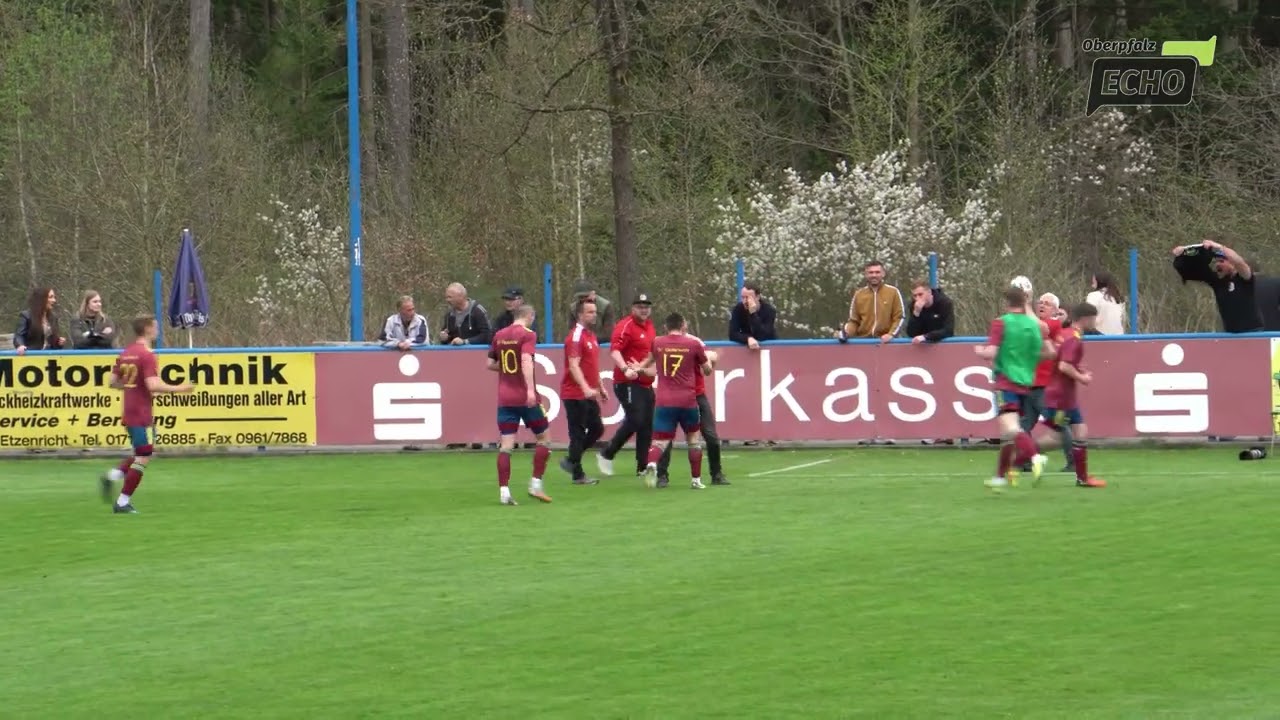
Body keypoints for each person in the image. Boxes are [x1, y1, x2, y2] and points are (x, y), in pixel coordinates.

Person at [99, 315, 195, 514]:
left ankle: (112, 476)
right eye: (155, 326)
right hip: (141, 412)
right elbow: (153, 385)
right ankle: (122, 502)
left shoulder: (126, 352)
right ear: (147, 329)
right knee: (144, 456)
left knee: (141, 453)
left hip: (129, 408)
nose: (157, 330)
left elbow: (112, 382)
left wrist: (130, 387)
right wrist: (181, 388)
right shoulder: (147, 354)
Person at [972, 287, 1054, 491]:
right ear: (1024, 303)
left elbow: (991, 352)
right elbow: (1049, 353)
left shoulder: (1002, 322)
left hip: (1006, 380)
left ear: (1007, 303)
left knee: (1011, 427)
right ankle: (1000, 478)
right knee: (1007, 434)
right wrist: (1027, 358)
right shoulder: (1034, 325)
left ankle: (1035, 457)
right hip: (1026, 381)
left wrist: (979, 351)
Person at [1031, 303, 1107, 488]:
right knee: (1055, 438)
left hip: (1066, 397)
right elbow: (1064, 366)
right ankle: (1021, 454)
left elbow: (1062, 360)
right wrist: (1082, 377)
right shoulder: (1073, 338)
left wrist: (1078, 369)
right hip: (1060, 398)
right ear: (1086, 318)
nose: (1095, 322)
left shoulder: (1065, 334)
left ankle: (1082, 478)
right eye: (1093, 318)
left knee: (1081, 433)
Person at [486, 304, 553, 505]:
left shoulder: (499, 335)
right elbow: (525, 360)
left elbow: (489, 364)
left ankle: (504, 492)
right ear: (529, 316)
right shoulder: (528, 335)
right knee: (544, 439)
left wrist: (507, 369)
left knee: (506, 445)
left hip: (505, 398)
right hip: (525, 397)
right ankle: (535, 484)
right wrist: (531, 390)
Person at [643, 312, 714, 490]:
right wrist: (710, 362)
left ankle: (652, 464)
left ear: (666, 326)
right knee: (693, 440)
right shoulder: (693, 344)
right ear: (683, 325)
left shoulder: (657, 342)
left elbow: (648, 363)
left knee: (660, 442)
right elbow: (707, 370)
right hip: (687, 400)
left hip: (664, 401)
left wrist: (636, 368)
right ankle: (696, 480)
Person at [655, 325, 728, 487]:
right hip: (674, 397)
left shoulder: (695, 342)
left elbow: (709, 361)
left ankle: (716, 473)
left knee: (711, 435)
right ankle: (662, 476)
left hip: (696, 395)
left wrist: (711, 359)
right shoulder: (664, 344)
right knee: (666, 437)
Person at [597, 292, 656, 477]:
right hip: (627, 381)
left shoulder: (650, 327)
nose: (644, 310)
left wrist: (649, 370)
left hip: (645, 381)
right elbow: (615, 351)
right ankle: (607, 453)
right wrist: (625, 369)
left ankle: (642, 466)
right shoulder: (626, 326)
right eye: (640, 307)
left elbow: (652, 353)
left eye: (646, 307)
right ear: (633, 308)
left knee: (647, 424)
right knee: (636, 419)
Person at [558, 299, 605, 485]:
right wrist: (585, 387)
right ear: (580, 315)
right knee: (577, 433)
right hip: (575, 393)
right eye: (589, 312)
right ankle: (577, 473)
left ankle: (571, 460)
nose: (593, 315)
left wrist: (599, 386)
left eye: (594, 312)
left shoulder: (591, 336)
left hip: (589, 392)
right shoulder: (576, 336)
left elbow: (591, 365)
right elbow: (574, 365)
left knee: (597, 429)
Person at [1025, 293, 1073, 473]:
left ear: (1055, 310)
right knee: (1023, 426)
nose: (1042, 305)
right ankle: (1027, 461)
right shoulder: (1036, 324)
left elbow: (1040, 327)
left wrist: (1025, 305)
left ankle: (1072, 461)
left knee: (1058, 425)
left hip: (1047, 386)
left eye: (1047, 303)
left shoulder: (1052, 324)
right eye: (1040, 302)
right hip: (1031, 384)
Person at [1172, 239, 1263, 333]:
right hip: (1230, 335)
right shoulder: (1218, 283)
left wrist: (1218, 247)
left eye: (1222, 261)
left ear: (1231, 263)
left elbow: (1239, 262)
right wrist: (1184, 252)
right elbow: (1196, 270)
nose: (1218, 264)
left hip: (1253, 332)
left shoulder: (1245, 278)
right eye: (1216, 261)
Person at [836, 260, 905, 344]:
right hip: (864, 342)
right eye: (871, 272)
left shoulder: (893, 292)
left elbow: (899, 317)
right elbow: (854, 321)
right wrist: (845, 332)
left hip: (886, 343)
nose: (874, 275)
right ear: (866, 275)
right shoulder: (859, 294)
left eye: (877, 272)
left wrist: (891, 334)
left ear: (883, 274)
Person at [14, 287, 66, 355]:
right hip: (33, 355)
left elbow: (53, 341)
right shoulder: (26, 316)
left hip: (50, 357)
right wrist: (20, 345)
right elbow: (19, 335)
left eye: (54, 297)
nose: (54, 300)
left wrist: (59, 342)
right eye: (50, 297)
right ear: (41, 299)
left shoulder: (53, 317)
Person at [728, 282, 777, 348]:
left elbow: (763, 335)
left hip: (769, 348)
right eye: (743, 297)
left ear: (757, 297)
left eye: (748, 298)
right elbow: (732, 334)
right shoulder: (738, 309)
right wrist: (748, 338)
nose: (745, 301)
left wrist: (753, 314)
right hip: (747, 348)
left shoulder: (769, 310)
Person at [1085, 271, 1125, 335]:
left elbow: (1087, 316)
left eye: (1094, 281)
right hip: (1119, 337)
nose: (1092, 283)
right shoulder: (1119, 298)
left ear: (1099, 281)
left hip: (1101, 336)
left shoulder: (1094, 295)